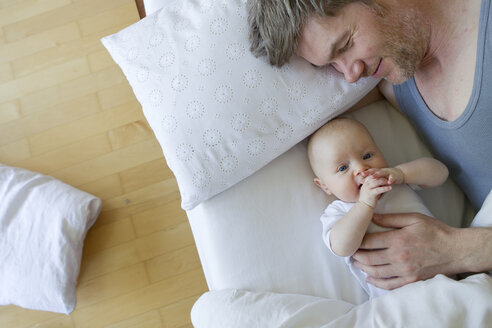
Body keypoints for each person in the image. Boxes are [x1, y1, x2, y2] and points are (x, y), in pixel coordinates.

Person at [248, 0, 492, 290]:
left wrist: (456, 250)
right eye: (331, 65)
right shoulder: (393, 83)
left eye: (345, 45)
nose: (350, 75)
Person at [308, 117, 448, 298]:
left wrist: (402, 173)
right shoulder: (339, 211)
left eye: (367, 156)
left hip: (444, 277)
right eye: (343, 168)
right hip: (398, 300)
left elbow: (440, 173)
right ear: (324, 186)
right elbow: (342, 247)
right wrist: (364, 204)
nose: (361, 167)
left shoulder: (395, 182)